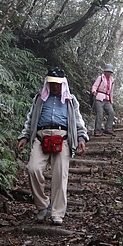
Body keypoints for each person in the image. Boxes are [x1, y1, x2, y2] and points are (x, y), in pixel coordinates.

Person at [17, 67, 88, 225]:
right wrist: (25, 136)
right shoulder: (39, 99)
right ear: (47, 83)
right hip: (41, 138)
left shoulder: (71, 100)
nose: (55, 86)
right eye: (52, 83)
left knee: (60, 176)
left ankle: (57, 213)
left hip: (62, 139)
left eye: (58, 84)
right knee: (33, 169)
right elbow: (31, 119)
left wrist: (81, 137)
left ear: (63, 84)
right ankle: (42, 205)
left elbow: (78, 120)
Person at [91, 63, 116, 136]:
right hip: (99, 98)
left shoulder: (112, 80)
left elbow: (111, 91)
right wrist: (94, 91)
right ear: (105, 71)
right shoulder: (100, 77)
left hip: (107, 99)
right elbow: (95, 86)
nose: (109, 73)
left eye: (110, 72)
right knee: (100, 114)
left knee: (111, 112)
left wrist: (111, 101)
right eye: (107, 71)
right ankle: (97, 131)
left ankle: (108, 128)